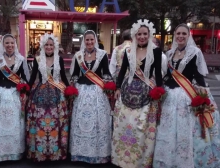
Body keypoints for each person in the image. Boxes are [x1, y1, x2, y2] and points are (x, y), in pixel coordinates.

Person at [153, 23, 220, 168]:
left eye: (184, 34)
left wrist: (203, 94)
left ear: (188, 35)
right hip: (171, 96)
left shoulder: (195, 52)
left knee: (187, 130)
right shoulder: (169, 53)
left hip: (187, 95)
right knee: (168, 129)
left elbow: (198, 75)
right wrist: (159, 86)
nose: (180, 36)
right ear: (175, 35)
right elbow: (168, 75)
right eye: (178, 33)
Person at [112, 19, 163, 167]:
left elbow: (158, 74)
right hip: (128, 91)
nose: (141, 36)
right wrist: (117, 88)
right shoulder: (128, 51)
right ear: (134, 35)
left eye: (144, 34)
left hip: (147, 93)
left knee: (141, 128)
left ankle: (139, 161)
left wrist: (159, 91)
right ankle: (122, 159)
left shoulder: (156, 51)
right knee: (124, 125)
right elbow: (122, 72)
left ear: (149, 35)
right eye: (139, 34)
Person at [69, 30, 112, 164]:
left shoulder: (102, 55)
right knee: (81, 121)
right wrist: (72, 86)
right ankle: (80, 152)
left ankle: (99, 154)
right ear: (84, 41)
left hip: (97, 92)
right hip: (81, 91)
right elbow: (75, 74)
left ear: (95, 40)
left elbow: (106, 73)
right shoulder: (78, 55)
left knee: (98, 121)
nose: (89, 42)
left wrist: (108, 83)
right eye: (87, 40)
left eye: (91, 40)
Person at [26, 33, 70, 161]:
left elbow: (63, 76)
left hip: (57, 94)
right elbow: (33, 77)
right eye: (47, 45)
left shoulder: (59, 59)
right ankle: (40, 152)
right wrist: (26, 90)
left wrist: (69, 89)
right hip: (40, 94)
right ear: (43, 46)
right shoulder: (38, 59)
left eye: (51, 45)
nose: (49, 47)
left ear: (54, 46)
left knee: (57, 121)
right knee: (39, 123)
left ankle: (55, 152)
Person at [0, 34, 30, 162]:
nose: (10, 45)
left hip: (15, 95)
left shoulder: (21, 59)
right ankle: (0, 152)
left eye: (12, 43)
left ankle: (15, 152)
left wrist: (24, 90)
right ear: (3, 45)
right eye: (7, 43)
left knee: (15, 123)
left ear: (15, 44)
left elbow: (26, 78)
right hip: (0, 94)